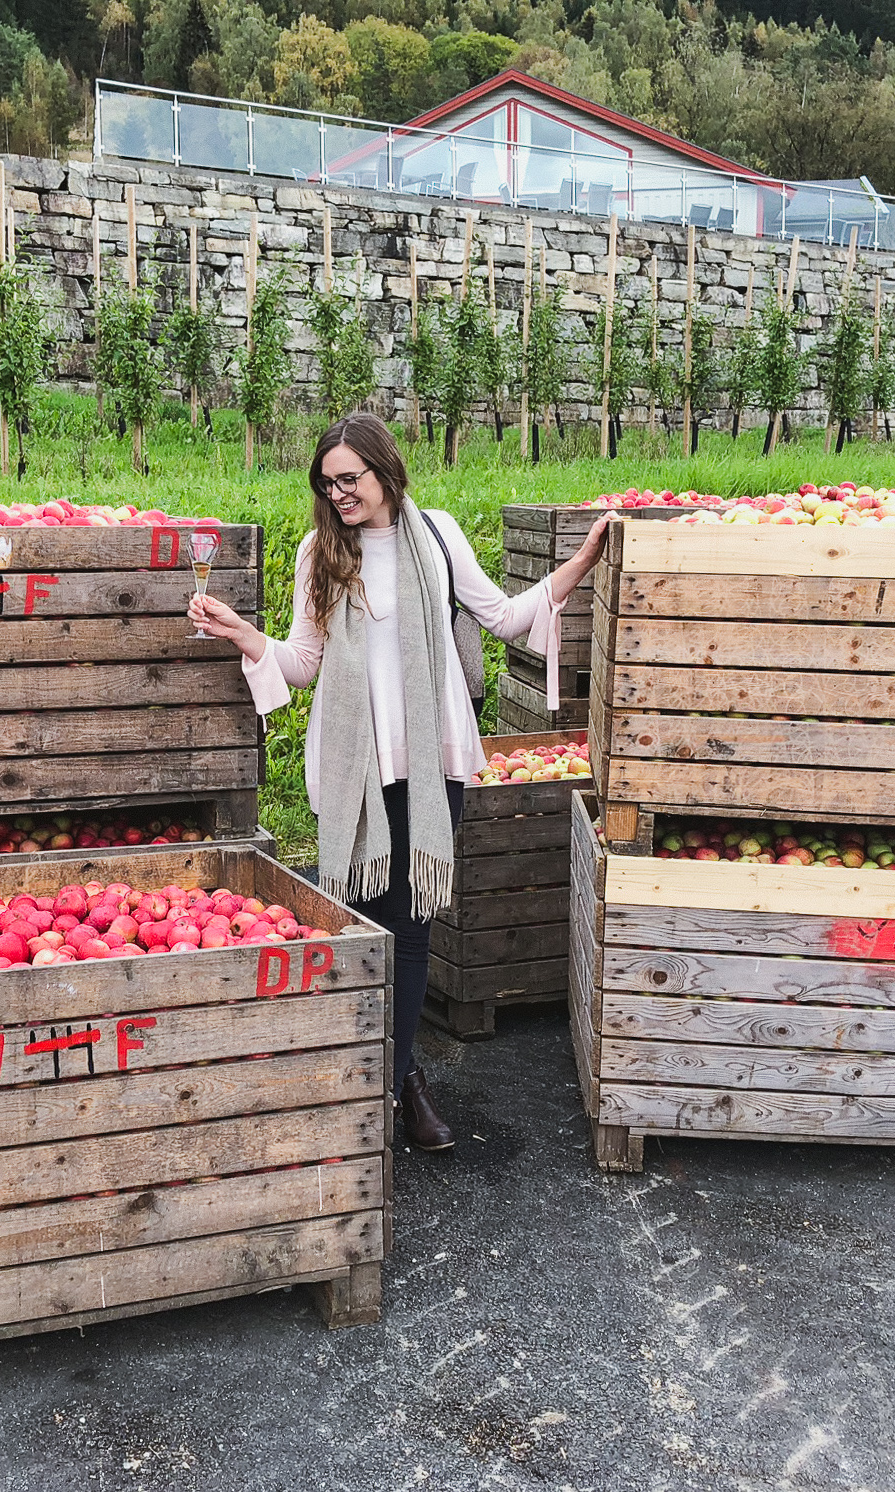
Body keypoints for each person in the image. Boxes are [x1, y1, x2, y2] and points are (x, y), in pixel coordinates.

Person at [187, 411, 610, 1152]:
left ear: (385, 470)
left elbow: (505, 618)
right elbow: (304, 662)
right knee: (356, 922)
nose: (339, 493)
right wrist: (243, 636)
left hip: (428, 758)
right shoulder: (319, 551)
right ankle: (379, 1076)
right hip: (355, 764)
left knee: (410, 930)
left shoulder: (438, 535)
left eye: (349, 479)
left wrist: (579, 560)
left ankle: (397, 1079)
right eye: (328, 483)